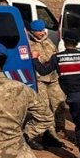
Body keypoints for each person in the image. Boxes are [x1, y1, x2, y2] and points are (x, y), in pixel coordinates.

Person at [27, 19, 69, 147]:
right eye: (38, 31)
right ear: (32, 31)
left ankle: (60, 128)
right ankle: (49, 134)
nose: (41, 33)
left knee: (59, 103)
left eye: (42, 30)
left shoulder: (49, 41)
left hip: (53, 78)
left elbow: (55, 56)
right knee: (45, 107)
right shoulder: (29, 43)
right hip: (40, 79)